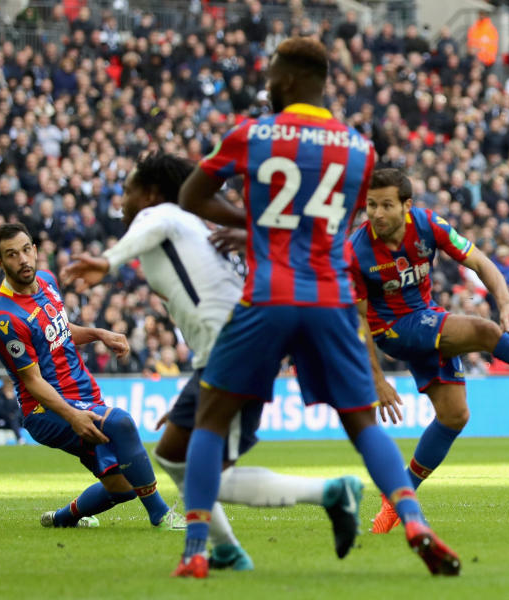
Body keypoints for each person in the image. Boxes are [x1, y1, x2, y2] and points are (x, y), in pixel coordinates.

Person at [173, 37, 460, 578]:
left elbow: (191, 196)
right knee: (363, 426)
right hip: (330, 298)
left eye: (271, 77)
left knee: (210, 421)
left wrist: (251, 224)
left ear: (285, 81)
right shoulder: (359, 149)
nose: (267, 85)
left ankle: (194, 551)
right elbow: (332, 225)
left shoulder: (252, 134)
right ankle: (415, 520)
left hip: (268, 295)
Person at [61, 151, 365, 572]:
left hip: (238, 347)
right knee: (172, 455)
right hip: (224, 353)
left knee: (209, 474)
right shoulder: (189, 229)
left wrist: (108, 260)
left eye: (129, 190)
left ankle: (330, 492)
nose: (123, 198)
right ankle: (226, 549)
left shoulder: (164, 214)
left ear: (150, 194)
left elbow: (157, 221)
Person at [348, 168, 509, 533]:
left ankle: (400, 496)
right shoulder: (356, 251)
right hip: (392, 331)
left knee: (454, 416)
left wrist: (506, 302)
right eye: (371, 205)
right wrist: (376, 379)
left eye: (386, 205)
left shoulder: (427, 225)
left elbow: (479, 261)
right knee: (484, 331)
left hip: (427, 318)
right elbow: (358, 321)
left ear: (407, 206)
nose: (376, 214)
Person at [0, 223, 180, 531]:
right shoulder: (5, 318)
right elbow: (32, 381)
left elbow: (60, 331)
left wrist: (99, 333)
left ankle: (63, 519)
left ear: (35, 250)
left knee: (125, 487)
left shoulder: (48, 281)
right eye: (12, 255)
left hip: (82, 391)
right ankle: (161, 515)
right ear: (0, 263)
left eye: (26, 250)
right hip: (46, 409)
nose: (22, 260)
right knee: (121, 423)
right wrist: (72, 414)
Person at [0, 376, 23, 444]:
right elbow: (0, 411)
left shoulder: (12, 395)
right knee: (13, 419)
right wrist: (9, 400)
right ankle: (20, 439)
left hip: (7, 420)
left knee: (16, 419)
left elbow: (16, 409)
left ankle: (20, 439)